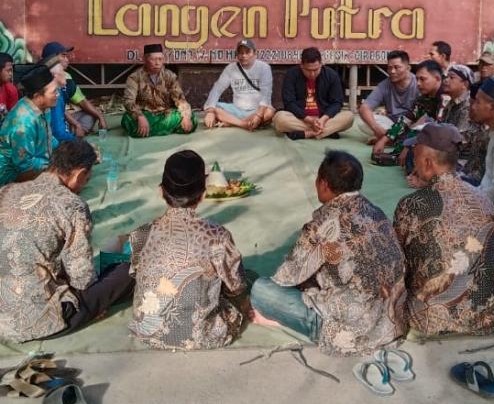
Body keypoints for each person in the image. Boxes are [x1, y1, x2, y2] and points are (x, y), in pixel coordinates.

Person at [250, 150, 408, 356]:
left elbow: (286, 277)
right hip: (391, 320)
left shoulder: (322, 225)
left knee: (261, 290)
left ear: (323, 183)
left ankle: (297, 322)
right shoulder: (376, 212)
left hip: (350, 329)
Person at [0, 139, 134, 342]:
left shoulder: (6, 191)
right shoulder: (72, 205)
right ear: (79, 174)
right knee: (129, 271)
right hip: (34, 321)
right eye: (86, 179)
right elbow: (82, 279)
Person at [129, 150, 247, 350]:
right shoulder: (217, 236)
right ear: (203, 195)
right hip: (200, 335)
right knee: (245, 280)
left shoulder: (141, 233)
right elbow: (236, 286)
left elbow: (136, 273)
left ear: (161, 191)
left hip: (148, 331)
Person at [394, 124, 494, 336]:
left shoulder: (412, 204)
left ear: (427, 162)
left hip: (430, 319)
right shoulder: (483, 199)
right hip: (485, 315)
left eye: (415, 157)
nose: (413, 163)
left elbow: (397, 261)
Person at [371, 59, 445, 165]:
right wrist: (383, 140)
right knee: (409, 133)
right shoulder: (423, 98)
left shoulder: (445, 97)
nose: (418, 83)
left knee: (417, 136)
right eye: (417, 79)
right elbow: (407, 119)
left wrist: (409, 145)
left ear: (437, 78)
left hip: (445, 142)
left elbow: (438, 130)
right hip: (430, 135)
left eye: (422, 79)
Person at [273, 47, 353, 140]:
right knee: (280, 119)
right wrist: (309, 120)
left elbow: (337, 103)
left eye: (315, 70)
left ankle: (304, 134)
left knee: (349, 117)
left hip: (323, 119)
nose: (312, 74)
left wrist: (323, 119)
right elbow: (289, 103)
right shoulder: (292, 74)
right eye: (308, 70)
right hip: (301, 119)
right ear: (301, 65)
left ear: (321, 64)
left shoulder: (331, 75)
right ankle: (324, 132)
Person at [0, 64, 58, 186]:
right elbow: (25, 165)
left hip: (37, 164)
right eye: (54, 92)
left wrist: (66, 152)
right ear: (38, 96)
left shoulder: (44, 106)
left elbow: (48, 137)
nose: (57, 94)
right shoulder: (23, 125)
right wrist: (55, 167)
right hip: (10, 174)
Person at [122, 44, 196, 138]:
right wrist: (140, 116)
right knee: (127, 119)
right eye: (153, 59)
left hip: (166, 114)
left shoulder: (170, 76)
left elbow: (180, 100)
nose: (157, 63)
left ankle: (148, 130)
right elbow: (128, 101)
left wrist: (186, 116)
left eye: (160, 59)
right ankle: (168, 128)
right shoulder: (134, 77)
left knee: (191, 117)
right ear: (145, 59)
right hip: (146, 115)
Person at [203, 39, 275, 131]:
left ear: (255, 53)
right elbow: (217, 89)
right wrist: (210, 111)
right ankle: (243, 124)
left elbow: (266, 95)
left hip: (256, 110)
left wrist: (258, 115)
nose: (244, 55)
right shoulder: (231, 68)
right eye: (240, 53)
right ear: (237, 55)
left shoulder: (264, 68)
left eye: (247, 52)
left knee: (269, 112)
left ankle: (231, 122)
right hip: (236, 109)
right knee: (214, 107)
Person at [41, 42, 107, 136]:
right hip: (49, 122)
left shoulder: (67, 78)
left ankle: (74, 131)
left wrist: (100, 117)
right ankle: (72, 133)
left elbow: (81, 101)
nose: (67, 60)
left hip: (62, 118)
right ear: (52, 59)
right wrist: (76, 125)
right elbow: (56, 110)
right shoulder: (44, 82)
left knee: (91, 115)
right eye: (63, 56)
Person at [356, 50, 418, 142]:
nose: (392, 71)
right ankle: (394, 139)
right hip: (391, 124)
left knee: (424, 127)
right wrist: (376, 128)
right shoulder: (384, 85)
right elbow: (364, 108)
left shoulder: (418, 83)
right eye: (389, 68)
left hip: (412, 124)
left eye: (397, 67)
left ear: (408, 68)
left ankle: (391, 139)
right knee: (362, 123)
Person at [441, 63, 474, 134]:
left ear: (465, 84)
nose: (446, 80)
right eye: (447, 77)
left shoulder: (468, 106)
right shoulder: (451, 102)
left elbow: (459, 136)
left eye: (451, 77)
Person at [0, 53, 19, 125]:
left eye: (11, 71)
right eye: (8, 70)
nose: (11, 74)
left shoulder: (11, 90)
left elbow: (13, 119)